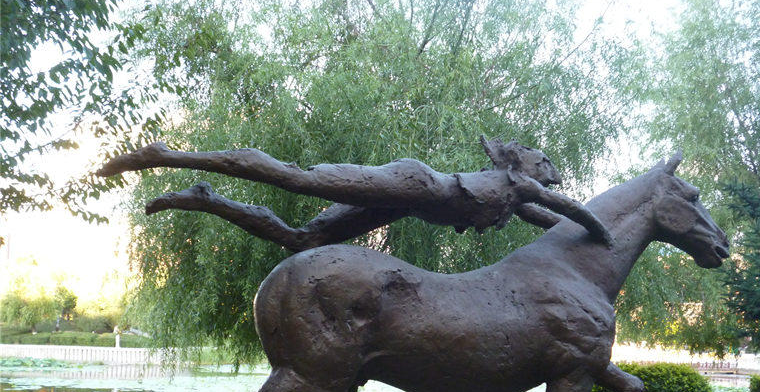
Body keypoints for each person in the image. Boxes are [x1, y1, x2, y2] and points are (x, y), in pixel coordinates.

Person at [98, 136, 611, 251]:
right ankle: (167, 155)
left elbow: (557, 223)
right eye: (545, 163)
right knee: (297, 178)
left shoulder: (519, 199)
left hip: (402, 204)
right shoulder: (521, 184)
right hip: (413, 184)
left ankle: (207, 199)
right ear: (521, 162)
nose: (551, 173)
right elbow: (571, 211)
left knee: (303, 241)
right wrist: (607, 230)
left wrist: (600, 236)